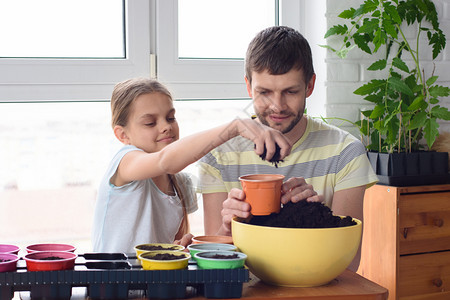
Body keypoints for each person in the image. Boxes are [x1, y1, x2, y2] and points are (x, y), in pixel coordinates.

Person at [197, 26, 378, 271]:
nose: (277, 106)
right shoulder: (218, 155)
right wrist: (229, 226)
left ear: (310, 86)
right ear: (249, 87)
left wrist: (313, 212)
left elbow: (347, 264)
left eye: (290, 92)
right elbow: (215, 261)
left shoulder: (345, 152)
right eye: (264, 92)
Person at [92, 77, 291, 253]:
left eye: (170, 118)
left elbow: (172, 249)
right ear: (122, 135)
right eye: (150, 123)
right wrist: (235, 127)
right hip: (113, 284)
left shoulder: (180, 184)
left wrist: (224, 228)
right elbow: (166, 161)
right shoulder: (125, 162)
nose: (166, 126)